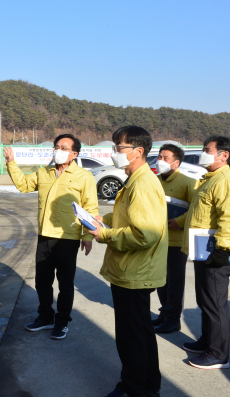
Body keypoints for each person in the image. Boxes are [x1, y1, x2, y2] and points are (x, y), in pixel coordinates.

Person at [88, 126, 167, 397]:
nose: (115, 154)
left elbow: (144, 234)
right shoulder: (135, 179)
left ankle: (132, 388)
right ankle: (147, 385)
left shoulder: (143, 184)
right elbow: (130, 219)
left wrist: (104, 234)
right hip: (132, 269)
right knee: (141, 331)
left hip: (134, 271)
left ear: (138, 151)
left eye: (119, 148)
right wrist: (105, 219)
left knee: (131, 336)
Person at [4, 134, 98, 340]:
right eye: (56, 146)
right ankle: (45, 317)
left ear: (74, 153)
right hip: (45, 235)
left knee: (65, 283)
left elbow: (90, 208)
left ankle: (62, 321)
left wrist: (87, 237)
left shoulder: (84, 177)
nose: (58, 150)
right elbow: (23, 186)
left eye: (64, 147)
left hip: (68, 237)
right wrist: (11, 164)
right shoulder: (44, 172)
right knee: (42, 281)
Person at [181, 136, 230, 370]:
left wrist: (223, 249)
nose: (203, 153)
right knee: (206, 300)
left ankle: (218, 354)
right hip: (203, 251)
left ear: (223, 155)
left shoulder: (226, 181)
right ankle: (207, 342)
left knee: (216, 303)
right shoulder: (211, 179)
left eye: (207, 150)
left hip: (217, 252)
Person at [151, 144, 199, 334]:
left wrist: (179, 221)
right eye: (159, 157)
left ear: (176, 162)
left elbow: (197, 210)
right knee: (160, 281)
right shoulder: (154, 181)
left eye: (166, 158)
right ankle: (164, 314)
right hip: (157, 239)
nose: (160, 161)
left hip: (176, 242)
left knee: (174, 283)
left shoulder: (188, 182)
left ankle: (173, 320)